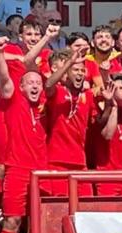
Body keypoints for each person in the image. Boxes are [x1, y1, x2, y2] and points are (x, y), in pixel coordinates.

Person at [0, 36, 47, 233]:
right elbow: (4, 77)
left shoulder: (45, 105)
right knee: (12, 221)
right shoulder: (14, 99)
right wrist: (0, 53)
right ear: (22, 86)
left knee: (38, 224)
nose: (35, 86)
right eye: (30, 82)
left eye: (38, 82)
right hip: (17, 170)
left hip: (43, 173)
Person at [43, 48, 99, 196]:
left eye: (82, 70)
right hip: (56, 160)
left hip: (80, 161)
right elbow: (48, 85)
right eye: (75, 69)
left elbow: (99, 122)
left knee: (86, 207)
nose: (80, 73)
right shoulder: (59, 92)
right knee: (58, 207)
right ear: (66, 73)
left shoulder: (88, 95)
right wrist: (69, 62)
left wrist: (110, 105)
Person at [94, 74, 122, 195]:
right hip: (107, 179)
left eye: (121, 88)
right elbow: (108, 135)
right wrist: (113, 107)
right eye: (113, 87)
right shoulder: (102, 111)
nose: (116, 92)